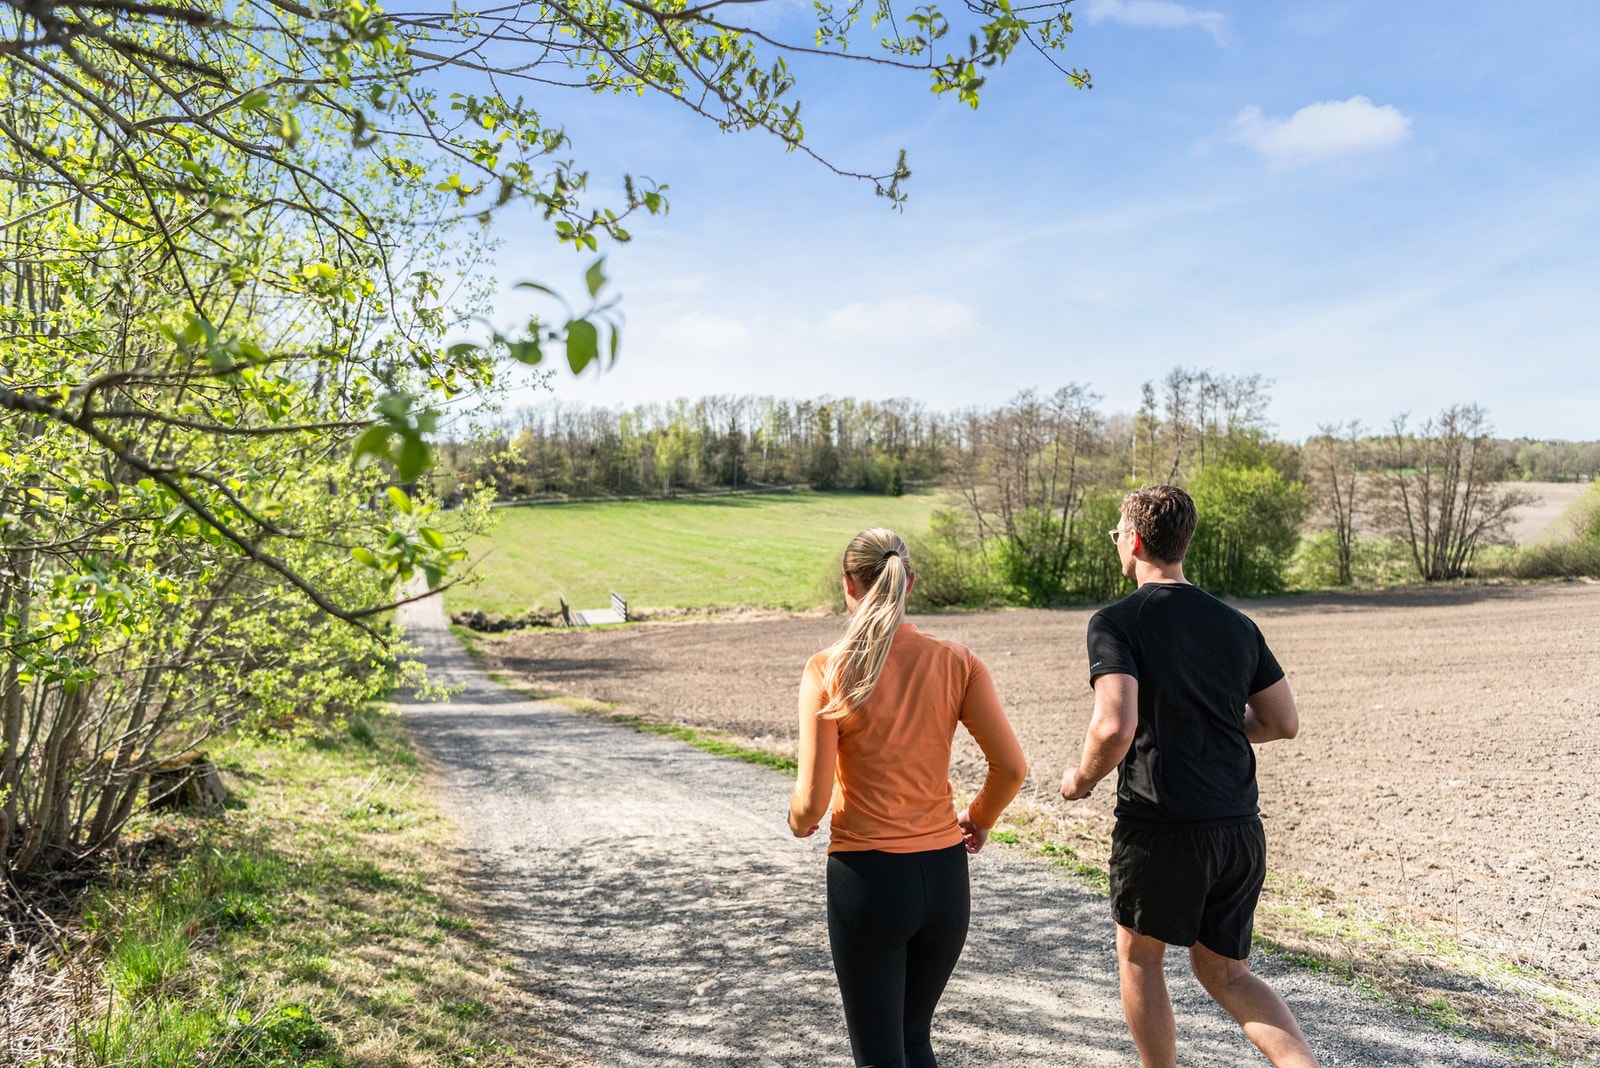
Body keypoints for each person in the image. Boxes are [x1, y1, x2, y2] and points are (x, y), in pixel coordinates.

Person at [1059, 486, 1318, 1068]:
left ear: (1136, 540)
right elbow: (1282, 721)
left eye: (1117, 534)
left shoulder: (1117, 622)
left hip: (1162, 827)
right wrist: (1211, 725)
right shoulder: (1235, 623)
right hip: (1238, 829)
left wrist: (1081, 780)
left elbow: (1113, 726)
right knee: (1227, 972)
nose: (1117, 544)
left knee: (1139, 958)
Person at [788, 527, 1028, 1068]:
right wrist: (979, 818)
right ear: (909, 583)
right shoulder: (958, 661)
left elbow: (813, 801)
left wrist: (797, 819)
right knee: (913, 1039)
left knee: (879, 1056)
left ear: (847, 584)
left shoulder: (828, 669)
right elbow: (1011, 767)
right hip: (945, 881)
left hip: (869, 882)